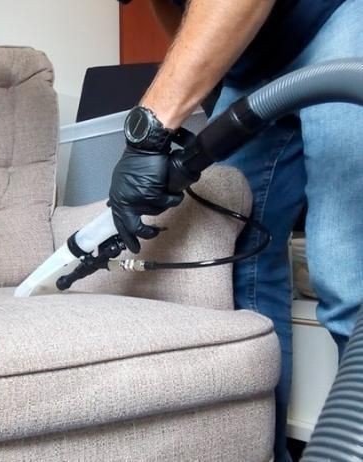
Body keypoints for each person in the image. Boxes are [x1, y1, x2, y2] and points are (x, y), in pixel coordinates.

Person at [111, 1, 363, 461]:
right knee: (232, 256)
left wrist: (151, 129)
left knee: (349, 276)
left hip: (340, 13)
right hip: (250, 58)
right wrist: (202, 100)